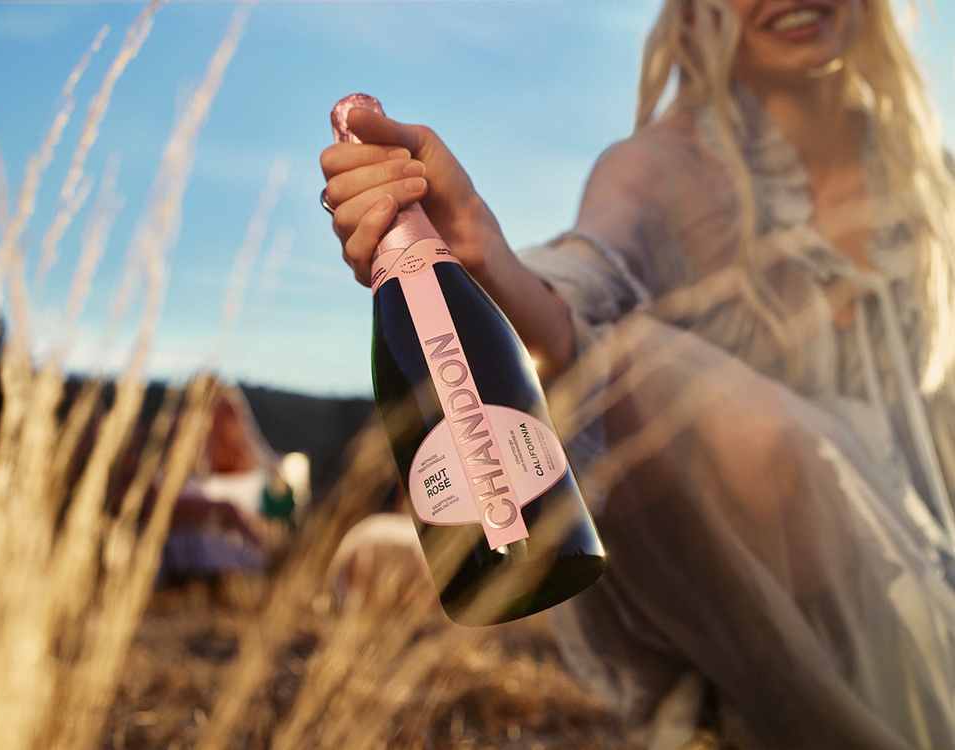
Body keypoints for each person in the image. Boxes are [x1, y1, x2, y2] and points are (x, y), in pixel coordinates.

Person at [320, 0, 955, 746]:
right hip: (781, 570)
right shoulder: (660, 166)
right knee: (634, 365)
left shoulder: (931, 177)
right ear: (695, 12)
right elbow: (590, 285)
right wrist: (486, 255)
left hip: (935, 547)